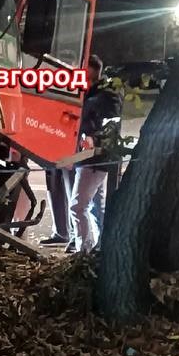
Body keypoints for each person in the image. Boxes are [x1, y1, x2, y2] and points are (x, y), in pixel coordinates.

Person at [69, 54, 122, 253]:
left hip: (95, 158)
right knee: (91, 206)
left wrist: (95, 140)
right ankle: (97, 247)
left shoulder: (107, 94)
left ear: (90, 70)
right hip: (89, 156)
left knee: (78, 206)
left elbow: (112, 125)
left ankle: (84, 250)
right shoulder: (91, 92)